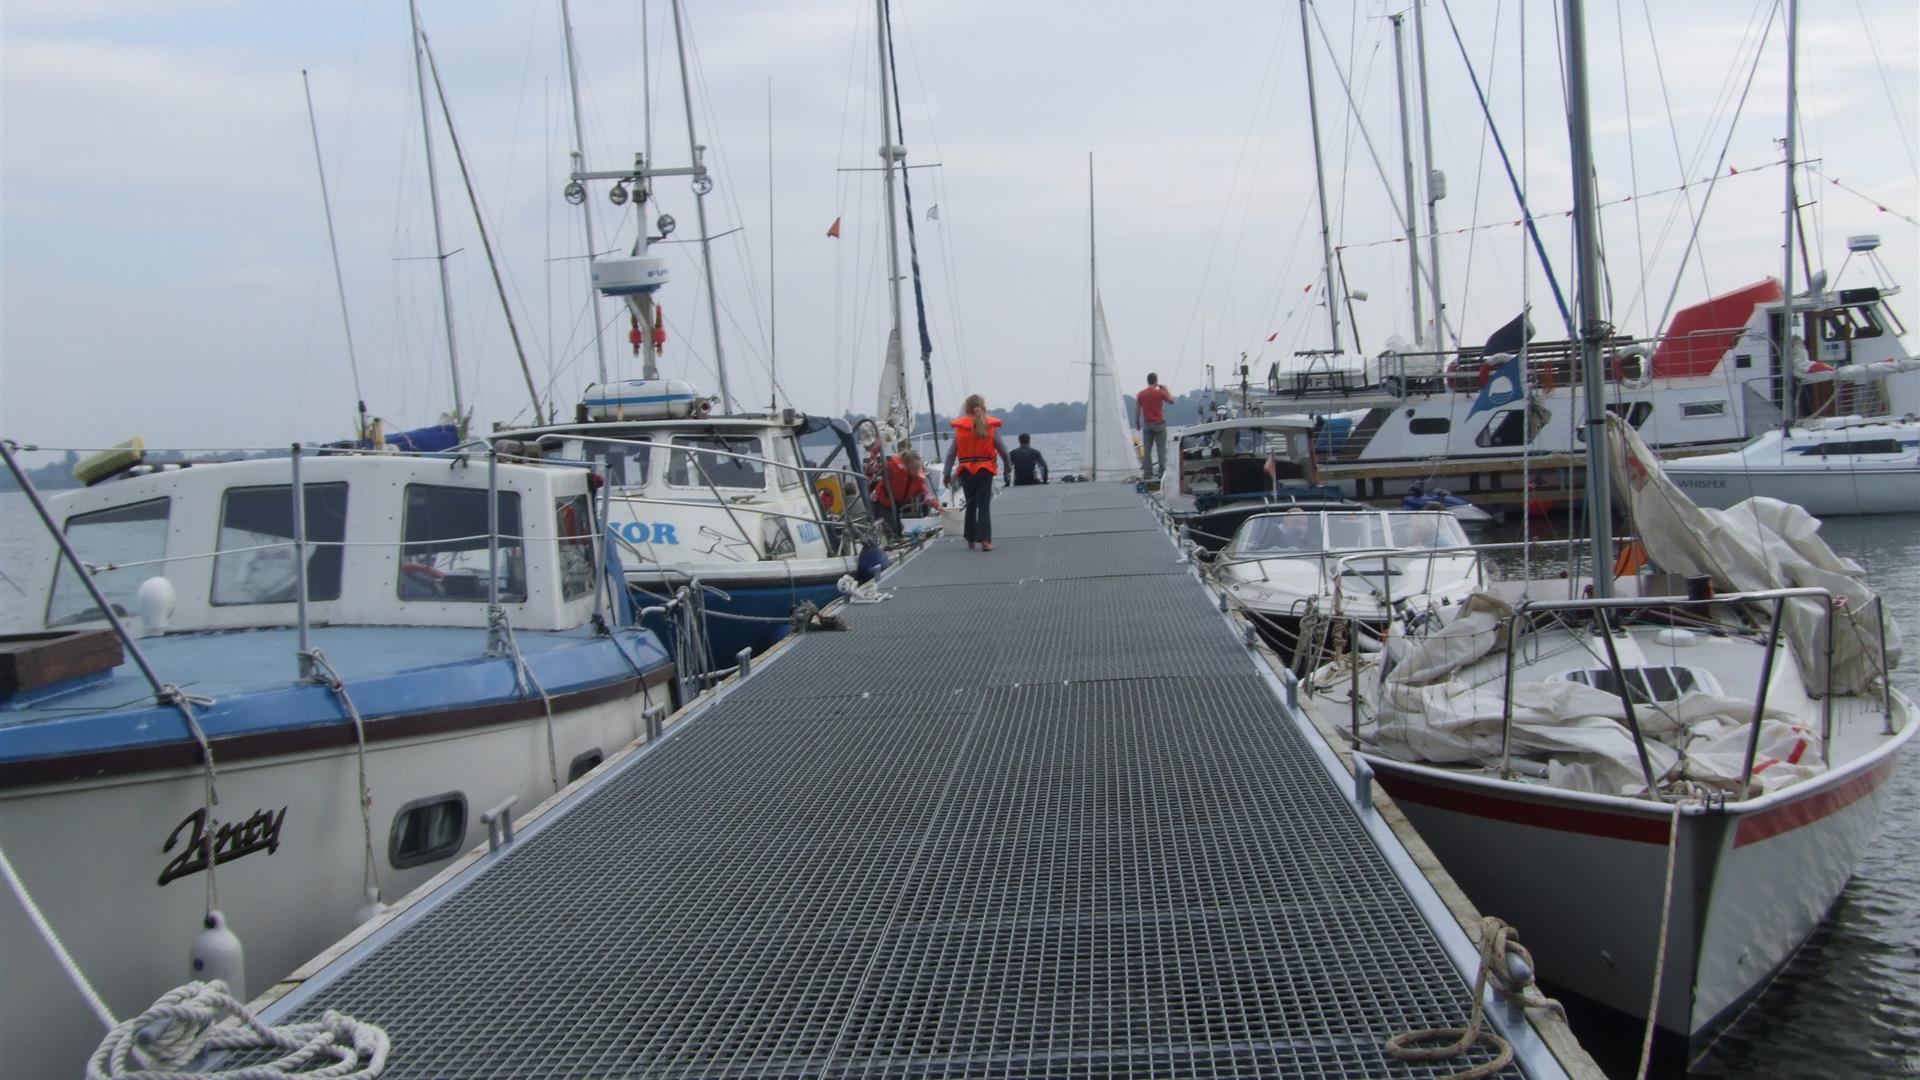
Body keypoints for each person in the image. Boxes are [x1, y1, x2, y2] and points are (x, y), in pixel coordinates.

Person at [943, 393, 1013, 551]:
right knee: (983, 505)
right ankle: (986, 541)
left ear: (966, 409)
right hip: (985, 470)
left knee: (970, 504)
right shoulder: (989, 426)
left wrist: (946, 474)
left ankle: (970, 539)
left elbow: (951, 453)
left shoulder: (961, 429)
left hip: (966, 471)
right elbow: (1002, 449)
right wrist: (1008, 465)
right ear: (984, 407)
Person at [870, 449, 942, 539]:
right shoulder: (892, 469)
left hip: (894, 506)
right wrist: (875, 451)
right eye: (913, 469)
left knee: (899, 529)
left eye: (918, 469)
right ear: (907, 466)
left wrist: (938, 506)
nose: (916, 472)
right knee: (892, 529)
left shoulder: (917, 480)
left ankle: (895, 540)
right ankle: (888, 543)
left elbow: (926, 493)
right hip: (879, 502)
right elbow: (872, 468)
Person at [1135, 373, 1175, 479]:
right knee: (1161, 449)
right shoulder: (1160, 393)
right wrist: (1165, 390)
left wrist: (1137, 422)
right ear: (1156, 381)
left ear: (1148, 381)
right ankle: (1162, 473)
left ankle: (1148, 473)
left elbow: (1138, 409)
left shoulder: (1141, 394)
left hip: (1147, 425)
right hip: (1159, 424)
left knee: (1147, 450)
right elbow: (1172, 401)